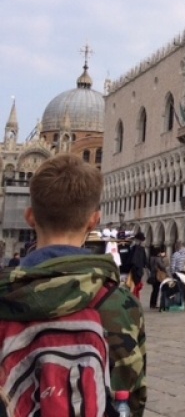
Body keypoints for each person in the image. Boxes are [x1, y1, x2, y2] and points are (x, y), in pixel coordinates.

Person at [0, 154, 146, 415]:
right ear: (94, 220)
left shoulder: (4, 295)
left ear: (30, 217)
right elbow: (130, 396)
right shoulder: (121, 303)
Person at [170, 240, 185, 306]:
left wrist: (172, 274)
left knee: (178, 288)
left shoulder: (175, 254)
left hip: (178, 273)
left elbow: (173, 266)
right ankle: (183, 302)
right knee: (183, 288)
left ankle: (179, 302)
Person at [129, 232, 148, 299]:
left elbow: (134, 260)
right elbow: (143, 261)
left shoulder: (138, 248)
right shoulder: (138, 248)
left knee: (135, 287)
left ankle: (135, 299)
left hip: (136, 270)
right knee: (135, 287)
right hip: (136, 270)